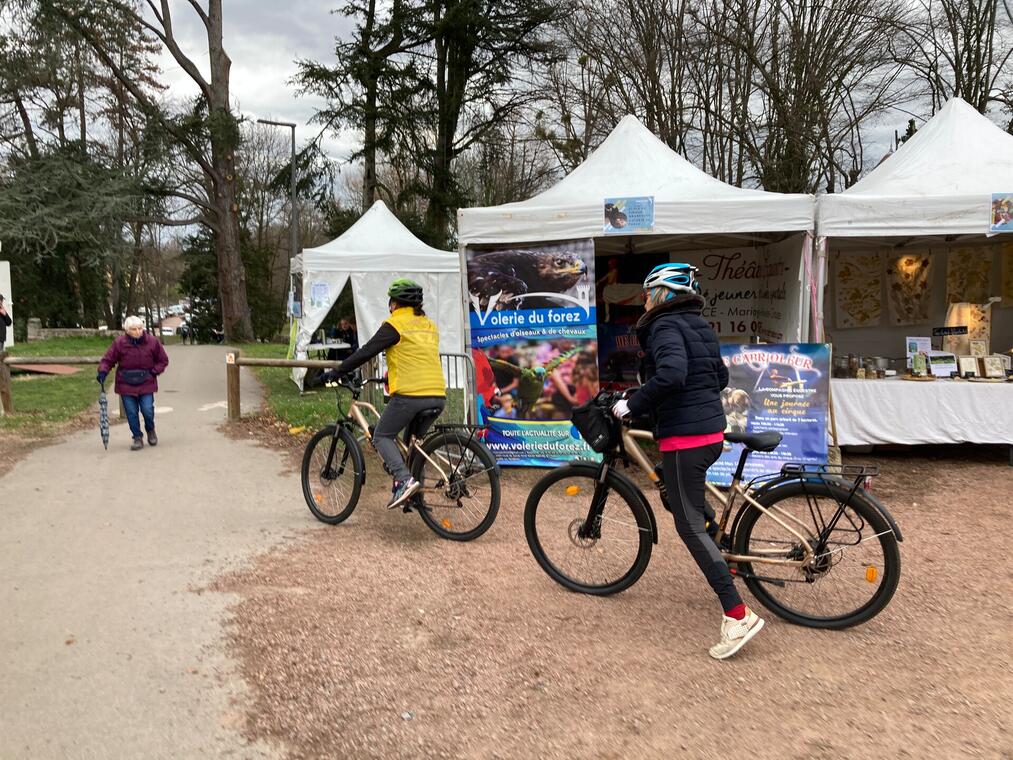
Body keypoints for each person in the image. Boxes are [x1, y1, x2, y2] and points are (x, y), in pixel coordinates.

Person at [611, 263, 764, 660]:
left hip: (687, 439)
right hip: (710, 432)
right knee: (683, 496)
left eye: (646, 293)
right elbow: (719, 378)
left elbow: (674, 375)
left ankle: (737, 614)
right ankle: (723, 555)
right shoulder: (698, 325)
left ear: (660, 294)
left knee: (688, 526)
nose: (643, 300)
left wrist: (633, 404)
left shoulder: (663, 326)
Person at [323, 279, 445, 509]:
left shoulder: (395, 324)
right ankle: (414, 496)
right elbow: (419, 357)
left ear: (394, 303)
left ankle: (404, 480)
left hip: (411, 395)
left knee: (381, 436)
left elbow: (367, 351)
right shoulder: (428, 324)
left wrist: (338, 371)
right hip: (438, 393)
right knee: (412, 446)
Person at [97, 316, 170, 451]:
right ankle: (137, 437)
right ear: (127, 330)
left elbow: (163, 360)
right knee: (131, 412)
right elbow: (108, 359)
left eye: (140, 328)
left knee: (147, 410)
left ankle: (150, 429)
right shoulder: (119, 343)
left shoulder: (152, 342)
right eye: (133, 329)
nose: (137, 331)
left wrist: (154, 372)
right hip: (126, 383)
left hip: (146, 382)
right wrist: (103, 371)